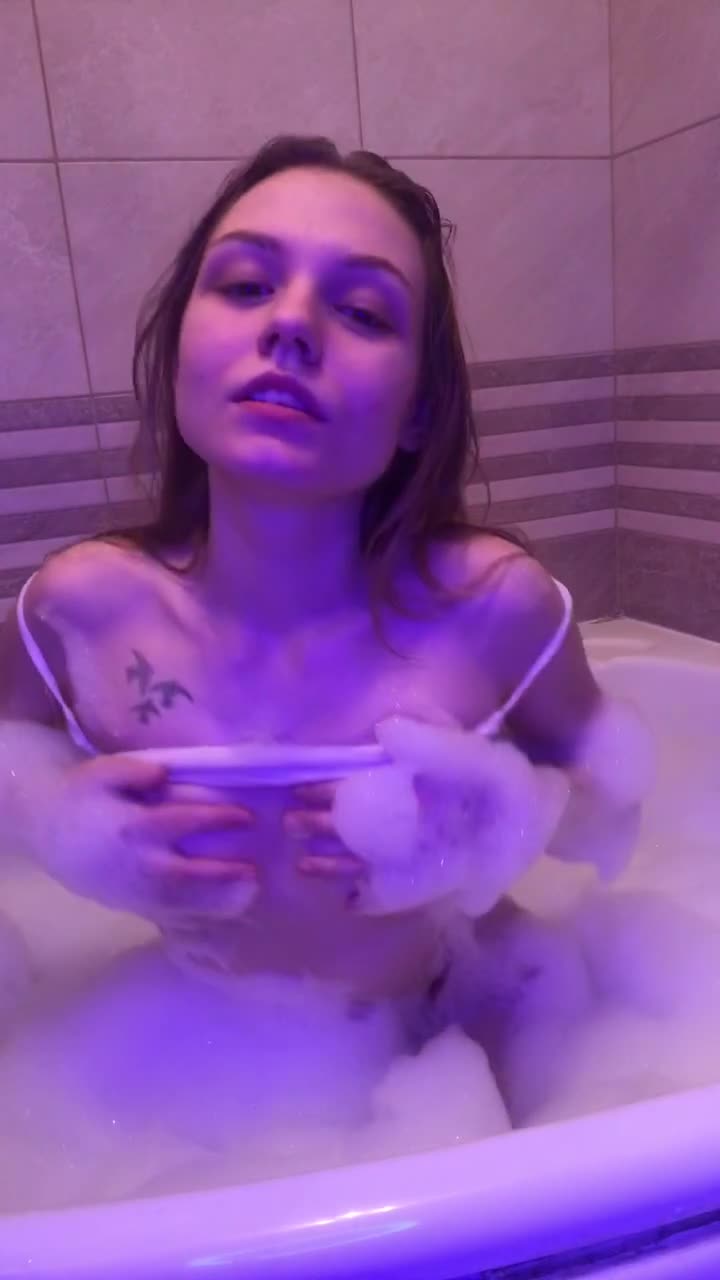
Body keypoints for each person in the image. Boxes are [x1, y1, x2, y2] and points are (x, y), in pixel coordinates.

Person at [0, 135, 652, 1014]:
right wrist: (46, 817)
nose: (291, 324)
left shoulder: (495, 607)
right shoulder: (81, 611)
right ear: (180, 346)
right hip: (182, 1054)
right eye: (245, 285)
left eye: (364, 312)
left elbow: (612, 808)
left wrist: (505, 818)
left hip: (463, 1030)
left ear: (419, 407)